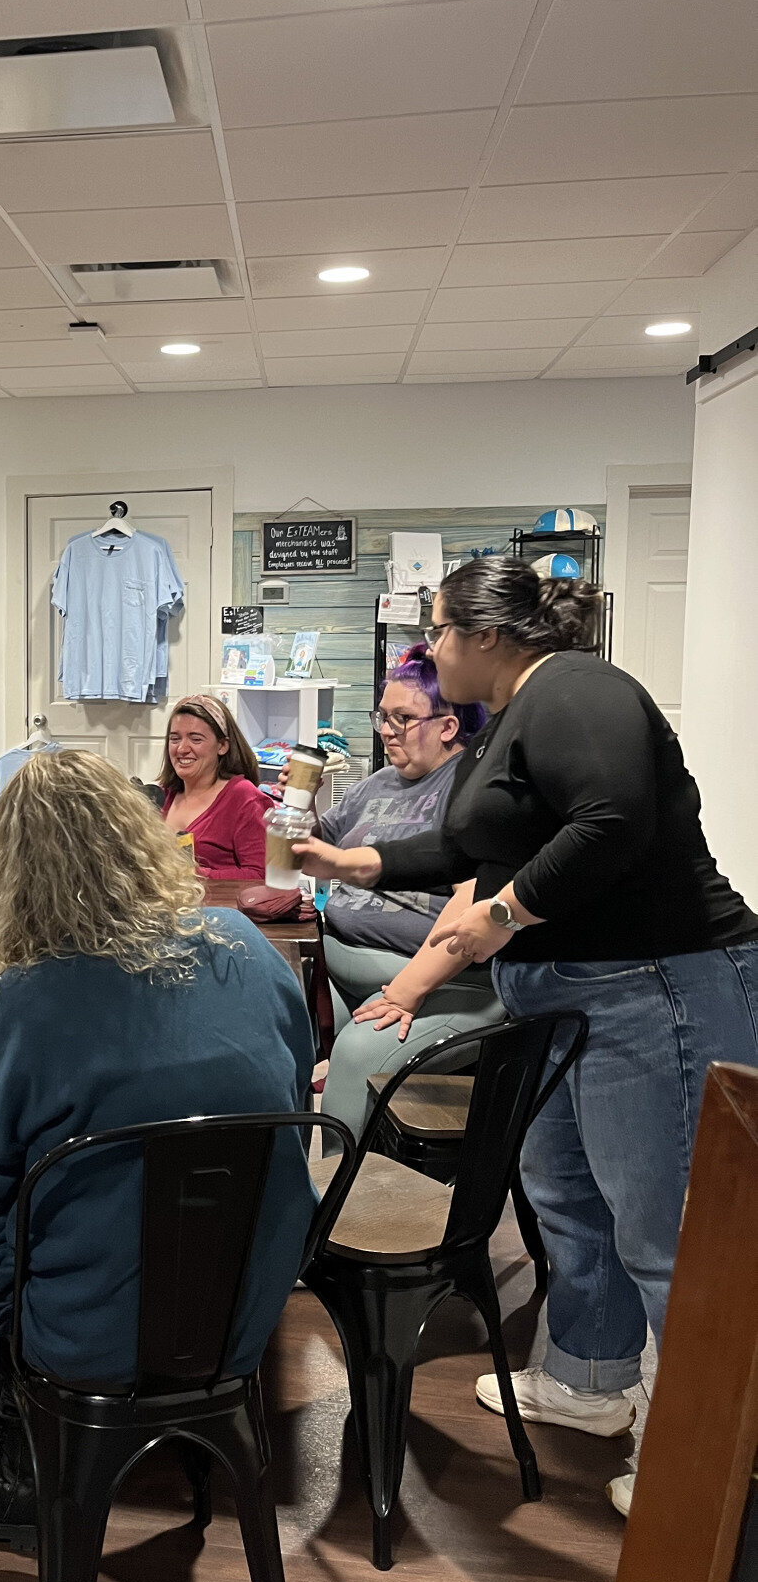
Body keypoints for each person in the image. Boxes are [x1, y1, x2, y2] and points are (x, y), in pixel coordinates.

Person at [296, 556, 758, 1518]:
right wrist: (358, 859)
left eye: (440, 632)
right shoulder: (509, 719)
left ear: (491, 637)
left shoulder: (580, 689)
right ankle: (591, 1380)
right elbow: (472, 845)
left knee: (665, 1227)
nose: (430, 650)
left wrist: (501, 916)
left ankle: (701, 1465)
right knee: (567, 1195)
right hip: (567, 994)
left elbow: (615, 819)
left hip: (654, 983)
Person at [0, 750, 316, 1546]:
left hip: (86, 1330)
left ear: (14, 877)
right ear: (139, 839)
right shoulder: (246, 949)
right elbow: (293, 1094)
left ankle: (18, 1473)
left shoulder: (26, 1003)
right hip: (243, 1299)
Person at [313, 644, 499, 1137]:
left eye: (403, 717)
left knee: (355, 1055)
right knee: (270, 1023)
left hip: (436, 983)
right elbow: (314, 851)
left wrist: (405, 992)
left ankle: (338, 1206)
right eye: (383, 717)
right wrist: (297, 800)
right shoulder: (374, 785)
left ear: (447, 726)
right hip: (338, 970)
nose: (387, 730)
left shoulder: (469, 787)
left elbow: (474, 899)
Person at [158, 693, 272, 874]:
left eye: (196, 739)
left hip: (219, 902)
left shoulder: (244, 798)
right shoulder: (162, 796)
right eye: (175, 739)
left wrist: (193, 875)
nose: (182, 749)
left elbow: (260, 875)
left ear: (222, 746)